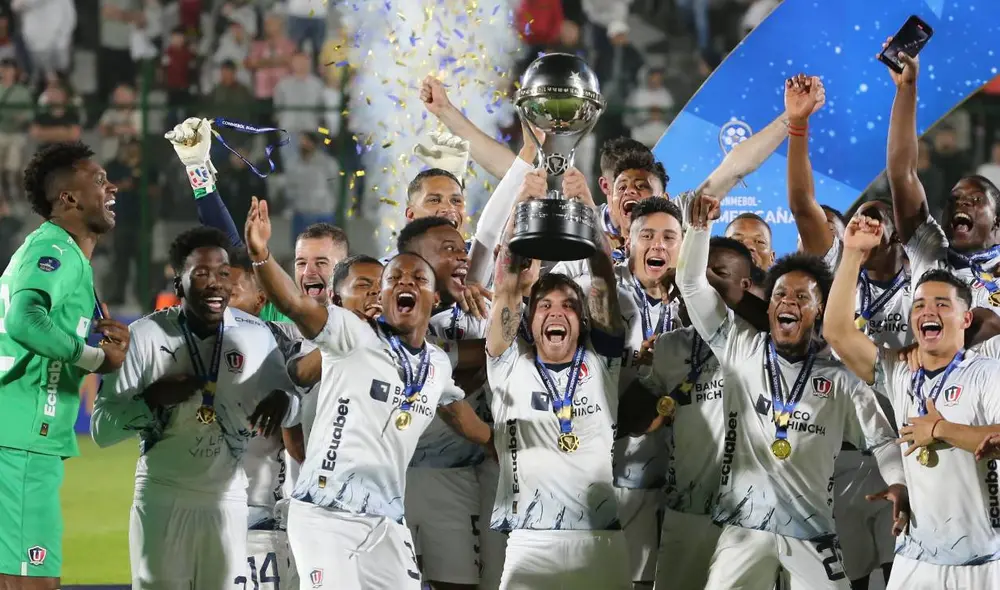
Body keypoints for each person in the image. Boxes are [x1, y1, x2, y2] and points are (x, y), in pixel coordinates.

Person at [244, 196, 493, 590]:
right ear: (383, 297)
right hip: (326, 516)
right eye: (394, 279)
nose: (404, 284)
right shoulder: (352, 335)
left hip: (387, 523)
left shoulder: (437, 364)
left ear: (433, 298)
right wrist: (260, 256)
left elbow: (457, 412)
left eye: (418, 280)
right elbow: (294, 305)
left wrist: (505, 445)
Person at [677, 194, 906, 590]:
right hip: (743, 529)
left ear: (818, 311)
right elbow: (690, 284)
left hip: (812, 534)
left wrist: (899, 483)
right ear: (768, 309)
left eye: (803, 298)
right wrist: (698, 230)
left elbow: (884, 440)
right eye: (781, 295)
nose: (789, 303)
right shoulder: (739, 347)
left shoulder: (839, 380)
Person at [91, 227, 300, 590]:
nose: (217, 283)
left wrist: (285, 400)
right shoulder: (144, 336)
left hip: (228, 500)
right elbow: (101, 430)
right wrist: (152, 400)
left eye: (223, 273)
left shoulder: (254, 335)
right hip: (162, 495)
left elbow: (294, 409)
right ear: (179, 284)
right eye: (201, 274)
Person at [823, 215, 1000, 589]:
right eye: (919, 305)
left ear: (966, 318)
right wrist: (853, 254)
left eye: (941, 304)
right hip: (916, 560)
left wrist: (939, 430)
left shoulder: (987, 374)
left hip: (983, 562)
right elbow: (837, 332)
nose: (927, 312)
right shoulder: (901, 372)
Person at [486, 166, 630, 589]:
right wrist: (520, 207)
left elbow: (603, 276)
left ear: (582, 320)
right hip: (531, 541)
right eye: (544, 305)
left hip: (600, 540)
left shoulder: (602, 362)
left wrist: (586, 203)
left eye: (568, 306)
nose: (555, 313)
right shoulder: (508, 364)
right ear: (529, 322)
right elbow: (507, 288)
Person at [0, 141, 130, 586]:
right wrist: (97, 358)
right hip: (20, 441)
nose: (111, 186)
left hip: (21, 439)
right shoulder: (53, 249)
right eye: (98, 180)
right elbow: (23, 318)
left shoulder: (63, 254)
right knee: (31, 582)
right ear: (68, 198)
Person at [619, 236, 756, 590]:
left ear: (746, 285)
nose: (700, 284)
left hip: (747, 518)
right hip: (685, 511)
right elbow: (636, 421)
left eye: (717, 274)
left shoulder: (761, 339)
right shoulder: (670, 346)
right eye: (696, 273)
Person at [164, 116, 351, 324]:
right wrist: (197, 168)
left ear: (343, 269)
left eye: (321, 263)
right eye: (301, 263)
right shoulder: (280, 311)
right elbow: (230, 249)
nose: (308, 272)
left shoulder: (359, 321)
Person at [395, 216, 493, 589]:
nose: (462, 257)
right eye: (448, 249)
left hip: (456, 479)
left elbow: (499, 350)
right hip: (391, 481)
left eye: (462, 250)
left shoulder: (483, 313)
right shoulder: (386, 317)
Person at [884, 45, 1000, 316]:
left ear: (998, 220)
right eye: (954, 200)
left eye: (975, 200)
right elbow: (902, 175)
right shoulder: (930, 250)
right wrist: (907, 88)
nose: (961, 205)